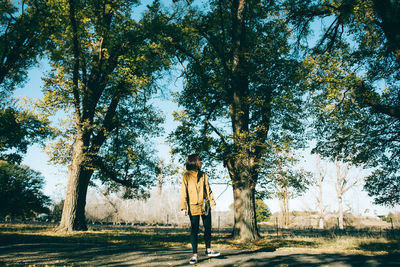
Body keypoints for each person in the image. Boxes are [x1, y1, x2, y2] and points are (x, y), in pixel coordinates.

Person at [180, 154, 221, 265]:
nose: (201, 162)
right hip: (193, 206)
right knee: (194, 230)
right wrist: (183, 207)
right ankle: (195, 255)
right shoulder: (186, 176)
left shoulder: (203, 175)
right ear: (194, 162)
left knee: (208, 228)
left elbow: (208, 189)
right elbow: (183, 192)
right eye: (200, 160)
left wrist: (212, 202)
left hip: (205, 205)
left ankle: (208, 250)